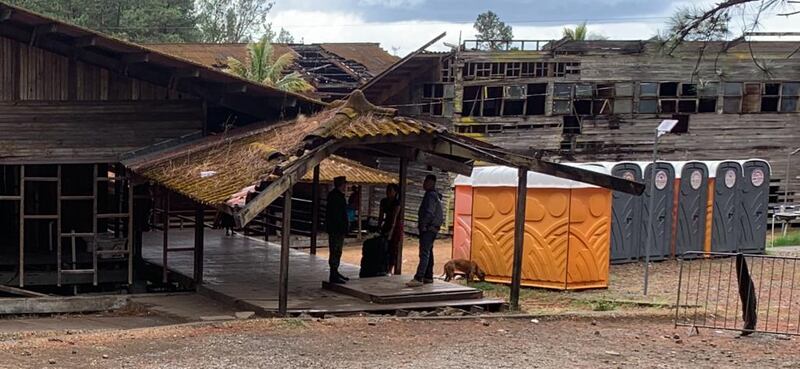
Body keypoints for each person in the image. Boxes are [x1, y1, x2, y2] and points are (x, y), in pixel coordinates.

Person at [407, 174, 444, 287]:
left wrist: (424, 225)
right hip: (433, 228)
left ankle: (419, 277)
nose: (424, 184)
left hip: (429, 228)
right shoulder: (434, 195)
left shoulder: (431, 195)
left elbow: (429, 212)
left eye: (426, 181)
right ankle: (428, 276)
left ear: (431, 183)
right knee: (429, 252)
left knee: (424, 252)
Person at [326, 176, 350, 284]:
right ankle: (333, 273)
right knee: (335, 250)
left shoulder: (335, 196)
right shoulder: (336, 197)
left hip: (336, 228)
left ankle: (335, 272)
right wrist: (342, 226)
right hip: (336, 228)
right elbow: (337, 215)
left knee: (337, 251)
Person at [378, 183, 403, 274]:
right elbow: (381, 215)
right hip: (387, 223)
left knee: (393, 247)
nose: (388, 192)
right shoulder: (383, 201)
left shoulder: (397, 203)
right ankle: (383, 267)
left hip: (395, 226)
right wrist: (379, 226)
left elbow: (394, 217)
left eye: (390, 190)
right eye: (387, 190)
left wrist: (391, 232)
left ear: (395, 192)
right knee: (383, 247)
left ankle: (390, 269)